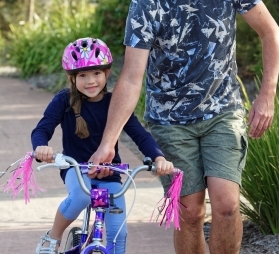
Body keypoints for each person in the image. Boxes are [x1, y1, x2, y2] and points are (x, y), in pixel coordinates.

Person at [88, 0, 279, 253]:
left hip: (223, 111)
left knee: (226, 204)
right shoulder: (145, 1)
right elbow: (133, 76)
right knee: (190, 211)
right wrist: (108, 141)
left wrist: (267, 94)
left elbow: (270, 32)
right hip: (170, 120)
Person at [32, 37, 174, 254]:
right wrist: (41, 146)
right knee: (81, 195)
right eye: (82, 75)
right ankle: (53, 237)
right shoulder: (64, 100)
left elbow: (140, 135)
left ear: (106, 74)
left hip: (110, 173)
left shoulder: (114, 103)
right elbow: (42, 129)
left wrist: (158, 158)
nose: (91, 81)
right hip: (77, 169)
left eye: (97, 73)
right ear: (72, 78)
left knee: (119, 234)